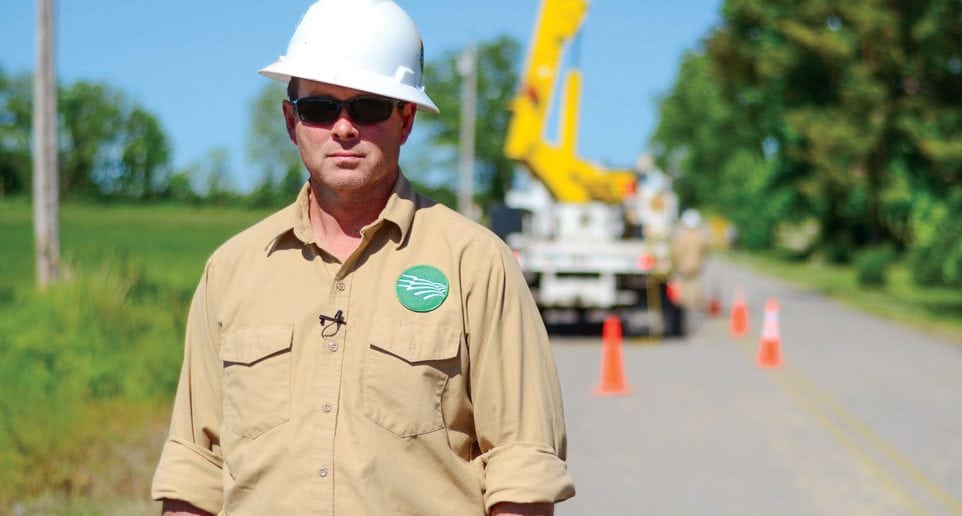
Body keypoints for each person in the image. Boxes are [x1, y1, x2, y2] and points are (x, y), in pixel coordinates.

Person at [150, 1, 575, 514]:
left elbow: (521, 466)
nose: (344, 127)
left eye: (369, 107)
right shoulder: (232, 270)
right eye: (320, 108)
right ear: (291, 121)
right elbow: (196, 467)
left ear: (406, 119)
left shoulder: (476, 263)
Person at [671, 209, 710, 327]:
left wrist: (675, 263)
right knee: (694, 290)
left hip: (683, 268)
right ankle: (694, 313)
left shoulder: (682, 236)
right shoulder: (700, 236)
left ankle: (685, 316)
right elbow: (705, 250)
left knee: (683, 294)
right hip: (696, 267)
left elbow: (676, 252)